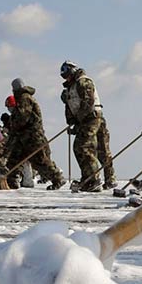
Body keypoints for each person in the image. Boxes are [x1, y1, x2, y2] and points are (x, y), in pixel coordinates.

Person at [4, 78, 65, 190]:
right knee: (15, 158)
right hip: (24, 136)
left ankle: (57, 178)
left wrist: (14, 126)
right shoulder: (22, 99)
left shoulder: (25, 98)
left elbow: (23, 118)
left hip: (32, 136)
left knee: (39, 160)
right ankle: (11, 181)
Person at [60, 61, 105, 192]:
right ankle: (87, 178)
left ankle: (95, 179)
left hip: (91, 117)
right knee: (78, 148)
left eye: (67, 75)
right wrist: (72, 121)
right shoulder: (71, 86)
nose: (66, 78)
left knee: (85, 147)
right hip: (83, 120)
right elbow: (70, 105)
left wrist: (78, 118)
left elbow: (88, 101)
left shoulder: (83, 82)